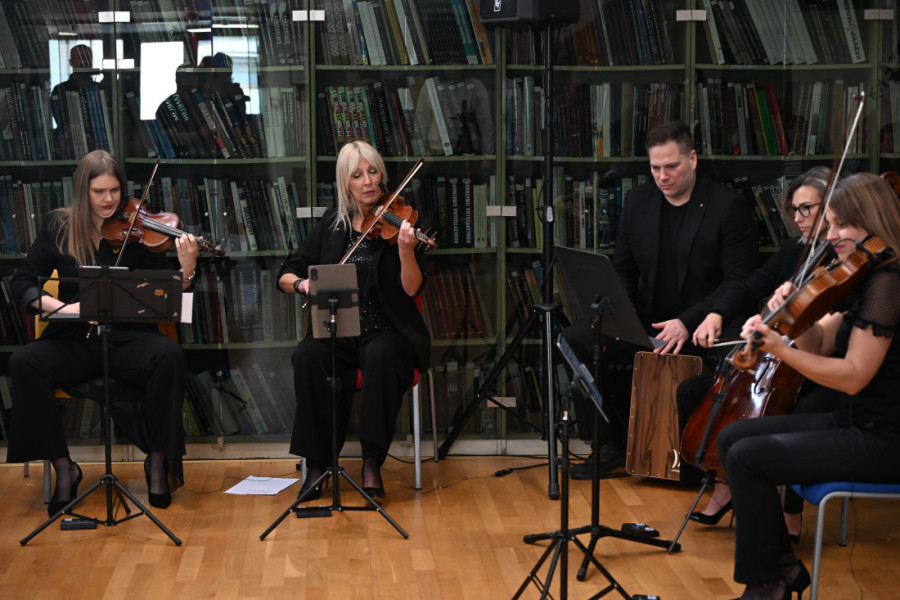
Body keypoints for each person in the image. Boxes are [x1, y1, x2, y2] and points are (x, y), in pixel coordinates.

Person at [719, 172, 900, 600]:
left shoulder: (889, 284)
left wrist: (782, 349)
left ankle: (766, 585)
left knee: (748, 457)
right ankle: (782, 565)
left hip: (884, 438)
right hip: (852, 422)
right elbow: (818, 342)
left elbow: (855, 375)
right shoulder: (861, 280)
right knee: (732, 437)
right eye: (830, 222)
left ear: (871, 222)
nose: (830, 234)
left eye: (841, 225)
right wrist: (789, 316)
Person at [6, 150, 199, 514]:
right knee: (24, 363)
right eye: (99, 191)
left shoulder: (141, 230)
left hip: (128, 336)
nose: (109, 200)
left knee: (169, 356)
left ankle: (158, 461)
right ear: (83, 191)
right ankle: (65, 468)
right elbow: (23, 281)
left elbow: (167, 294)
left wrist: (186, 268)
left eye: (114, 190)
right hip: (73, 339)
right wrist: (62, 308)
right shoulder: (59, 226)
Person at [565, 121, 759, 479]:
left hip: (708, 324)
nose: (663, 176)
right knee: (578, 341)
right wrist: (619, 314)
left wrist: (688, 321)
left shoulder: (728, 208)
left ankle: (704, 459)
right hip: (650, 318)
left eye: (672, 166)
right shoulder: (639, 202)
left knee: (733, 363)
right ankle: (610, 443)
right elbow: (622, 269)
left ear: (693, 159)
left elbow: (739, 282)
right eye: (655, 168)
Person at [678, 167, 840, 537]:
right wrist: (716, 313)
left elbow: (833, 336)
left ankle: (790, 510)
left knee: (799, 408)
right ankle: (724, 485)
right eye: (793, 211)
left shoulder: (842, 260)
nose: (798, 219)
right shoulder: (795, 251)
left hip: (822, 369)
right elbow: (751, 284)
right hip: (780, 361)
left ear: (833, 206)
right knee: (692, 391)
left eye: (806, 209)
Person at [277, 140, 430, 500]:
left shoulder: (400, 222)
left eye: (373, 171)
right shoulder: (334, 223)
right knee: (308, 355)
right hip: (340, 328)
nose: (368, 182)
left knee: (382, 356)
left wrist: (406, 251)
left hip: (387, 329)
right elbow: (287, 273)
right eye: (357, 175)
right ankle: (317, 462)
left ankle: (372, 461)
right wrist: (301, 285)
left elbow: (411, 289)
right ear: (345, 183)